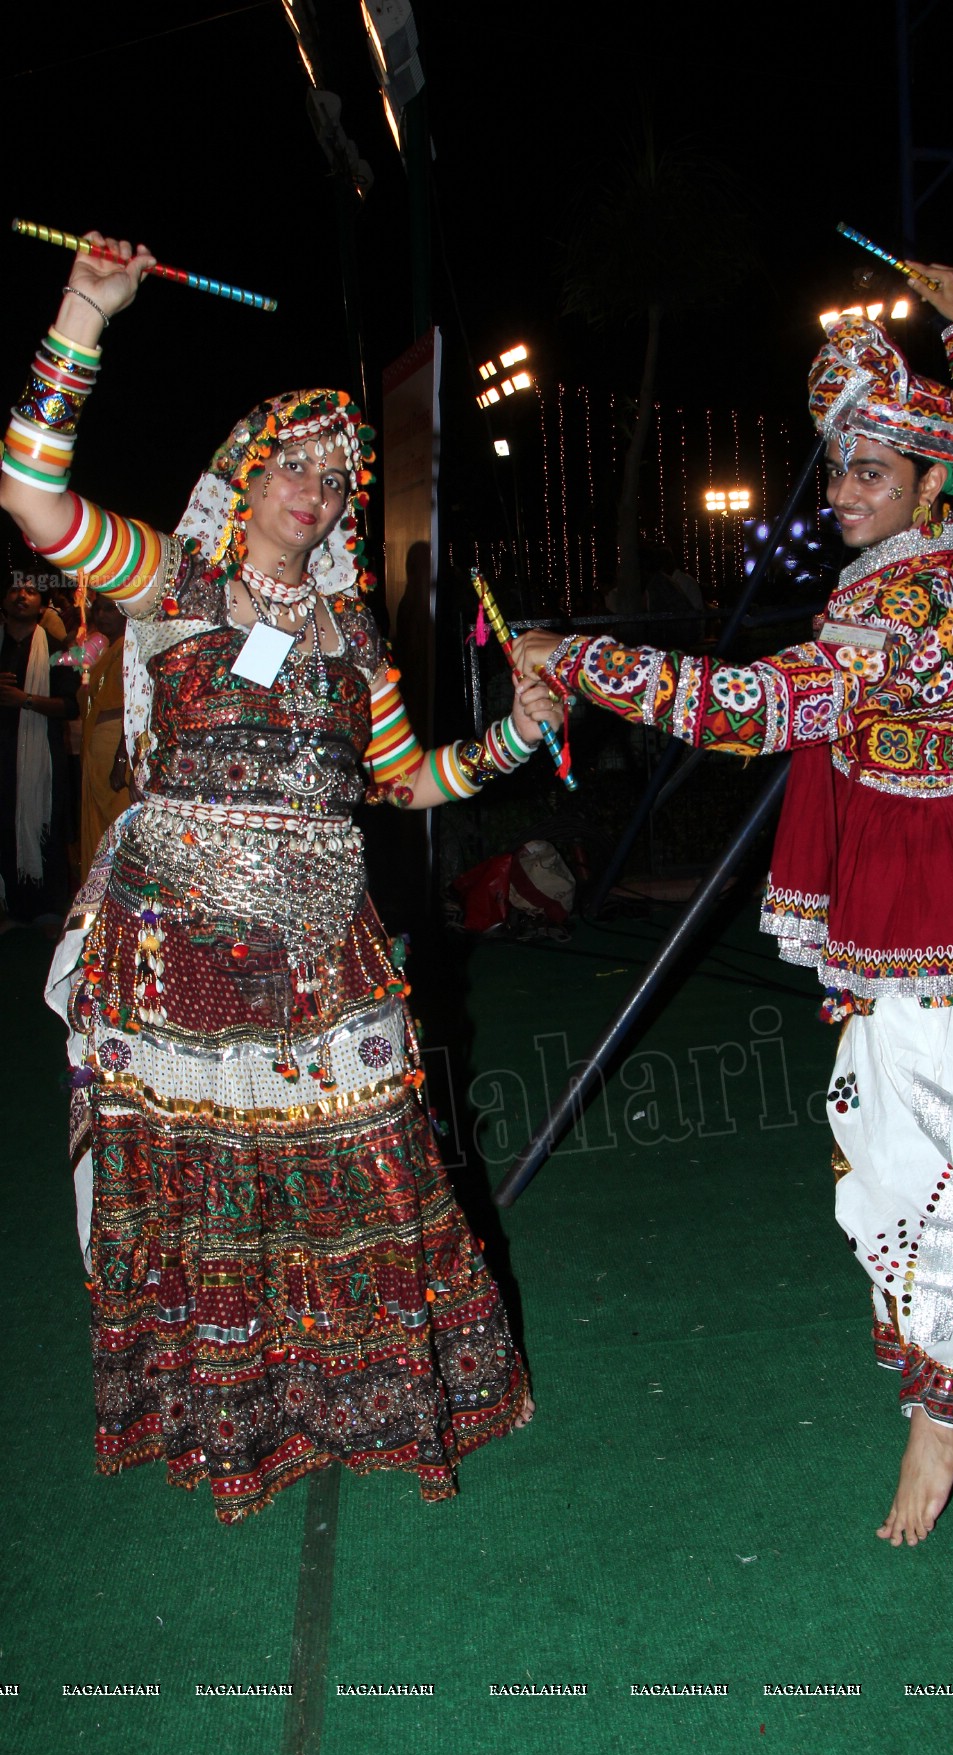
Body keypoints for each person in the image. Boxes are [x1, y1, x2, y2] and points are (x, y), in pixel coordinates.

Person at [512, 263, 953, 1547]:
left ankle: (951, 1396)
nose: (839, 498)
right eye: (836, 470)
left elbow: (754, 709)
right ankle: (934, 1357)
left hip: (931, 892)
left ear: (929, 480)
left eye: (866, 474)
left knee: (943, 1147)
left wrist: (581, 659)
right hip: (924, 863)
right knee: (894, 1127)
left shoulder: (911, 603)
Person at [1, 233, 561, 1523]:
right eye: (293, 468)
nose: (314, 491)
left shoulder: (352, 633)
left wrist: (523, 729)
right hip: (180, 929)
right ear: (246, 480)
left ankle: (347, 1403)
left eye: (335, 475)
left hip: (321, 934)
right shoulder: (174, 584)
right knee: (203, 1176)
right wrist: (85, 313)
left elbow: (405, 782)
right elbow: (31, 499)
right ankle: (223, 1416)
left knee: (360, 1160)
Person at [0, 579, 81, 926]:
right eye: (15, 590)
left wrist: (26, 701)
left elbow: (69, 707)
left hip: (41, 757)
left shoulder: (55, 647)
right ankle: (9, 907)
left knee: (46, 822)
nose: (22, 595)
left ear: (41, 604)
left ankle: (46, 908)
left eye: (31, 591)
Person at [77, 591, 130, 875]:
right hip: (97, 754)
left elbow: (135, 709)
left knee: (119, 830)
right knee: (99, 833)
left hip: (116, 756)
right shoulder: (105, 649)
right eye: (98, 610)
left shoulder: (131, 647)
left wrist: (122, 758)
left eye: (110, 609)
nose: (101, 616)